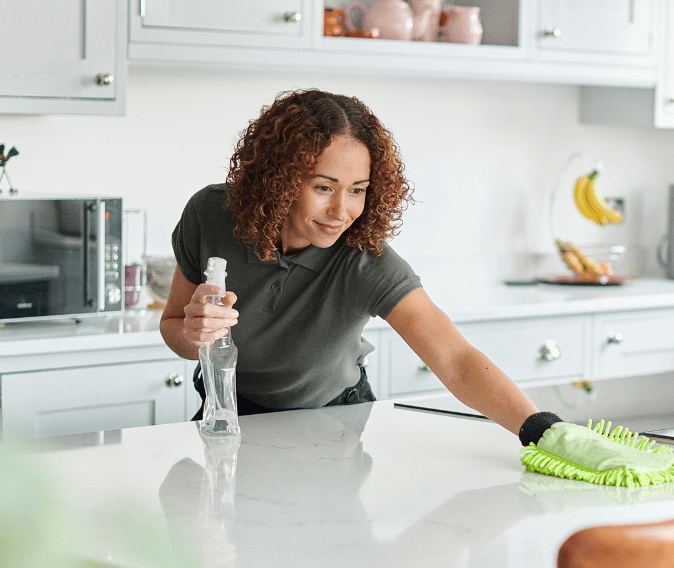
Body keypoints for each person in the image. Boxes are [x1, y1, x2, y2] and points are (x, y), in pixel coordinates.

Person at [160, 88, 554, 444]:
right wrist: (195, 336)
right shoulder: (211, 214)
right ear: (277, 180)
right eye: (323, 187)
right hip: (227, 413)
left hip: (334, 420)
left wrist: (541, 429)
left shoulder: (366, 261)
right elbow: (174, 326)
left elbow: (456, 360)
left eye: (358, 191)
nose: (341, 211)